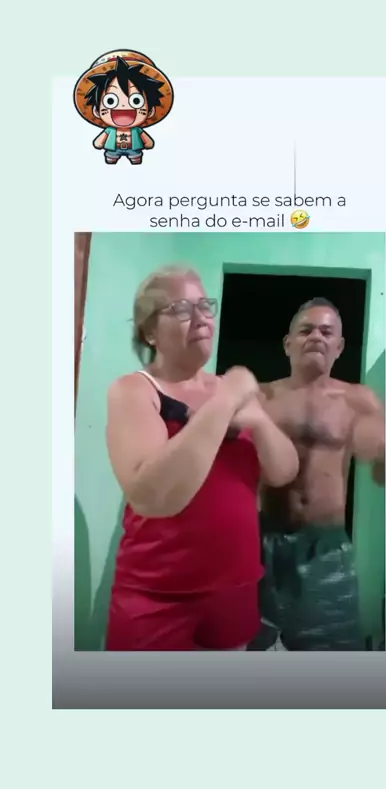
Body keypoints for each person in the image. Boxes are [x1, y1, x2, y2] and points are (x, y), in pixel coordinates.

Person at [105, 265, 299, 651]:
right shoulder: (135, 390)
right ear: (149, 332)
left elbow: (284, 471)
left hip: (235, 591)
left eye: (205, 306)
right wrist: (225, 402)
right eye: (181, 308)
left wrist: (258, 420)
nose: (201, 318)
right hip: (157, 598)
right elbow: (153, 497)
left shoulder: (233, 389)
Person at [256, 297, 385, 651]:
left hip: (326, 552)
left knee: (333, 664)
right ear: (288, 343)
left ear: (339, 346)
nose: (316, 336)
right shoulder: (261, 396)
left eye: (327, 332)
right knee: (244, 651)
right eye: (306, 330)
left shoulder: (358, 400)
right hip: (259, 544)